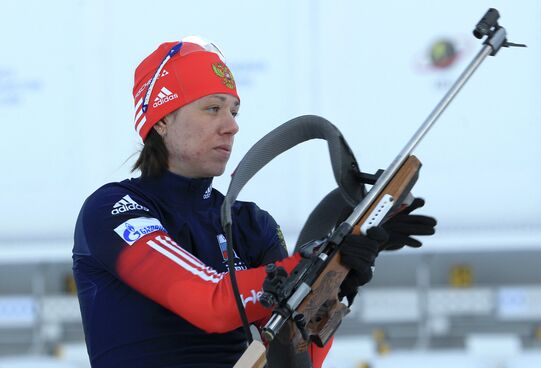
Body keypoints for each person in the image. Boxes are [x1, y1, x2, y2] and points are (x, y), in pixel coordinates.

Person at [72, 36, 436, 368]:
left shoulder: (250, 223)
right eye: (213, 108)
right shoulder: (113, 208)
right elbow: (208, 302)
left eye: (234, 111)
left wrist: (339, 280)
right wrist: (314, 260)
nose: (231, 126)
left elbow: (294, 360)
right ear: (163, 120)